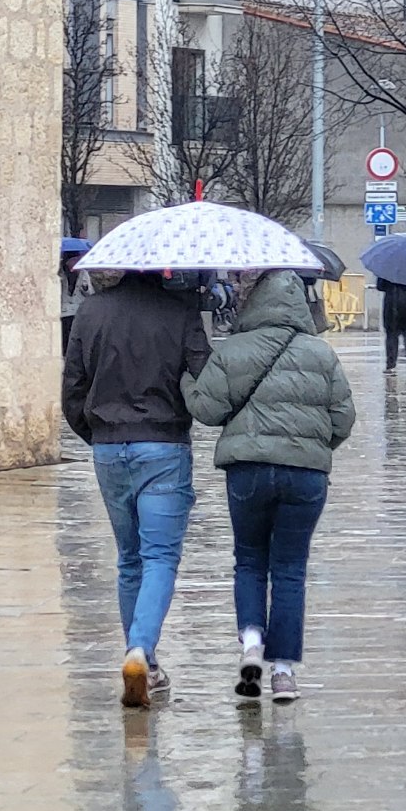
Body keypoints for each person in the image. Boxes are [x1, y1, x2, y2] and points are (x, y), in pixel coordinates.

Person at [184, 270, 355, 705]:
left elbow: (207, 410)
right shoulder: (322, 353)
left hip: (249, 472)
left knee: (249, 560)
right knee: (290, 568)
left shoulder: (233, 349)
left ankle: (250, 646)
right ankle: (282, 674)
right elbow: (343, 420)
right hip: (306, 475)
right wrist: (313, 447)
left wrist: (187, 382)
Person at [62, 269, 214, 709]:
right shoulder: (180, 311)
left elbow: (73, 388)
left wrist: (97, 434)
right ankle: (141, 653)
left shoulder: (89, 312)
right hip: (163, 445)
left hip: (109, 449)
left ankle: (141, 654)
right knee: (160, 556)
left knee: (129, 559)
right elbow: (204, 377)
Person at [376, 278, 406, 372]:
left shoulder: (387, 268)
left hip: (392, 305)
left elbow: (380, 286)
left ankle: (391, 365)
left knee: (392, 336)